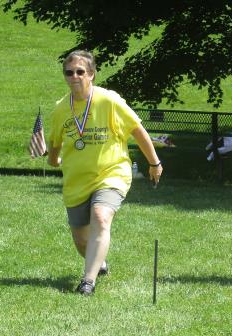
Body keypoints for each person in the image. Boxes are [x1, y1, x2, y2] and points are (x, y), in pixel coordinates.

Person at [47, 50, 163, 295]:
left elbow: (137, 130)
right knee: (80, 240)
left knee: (100, 216)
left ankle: (87, 281)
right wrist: (53, 158)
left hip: (112, 173)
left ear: (91, 74)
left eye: (80, 71)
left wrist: (154, 163)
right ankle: (99, 263)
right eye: (70, 72)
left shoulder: (108, 101)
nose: (75, 76)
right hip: (76, 181)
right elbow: (55, 142)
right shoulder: (61, 109)